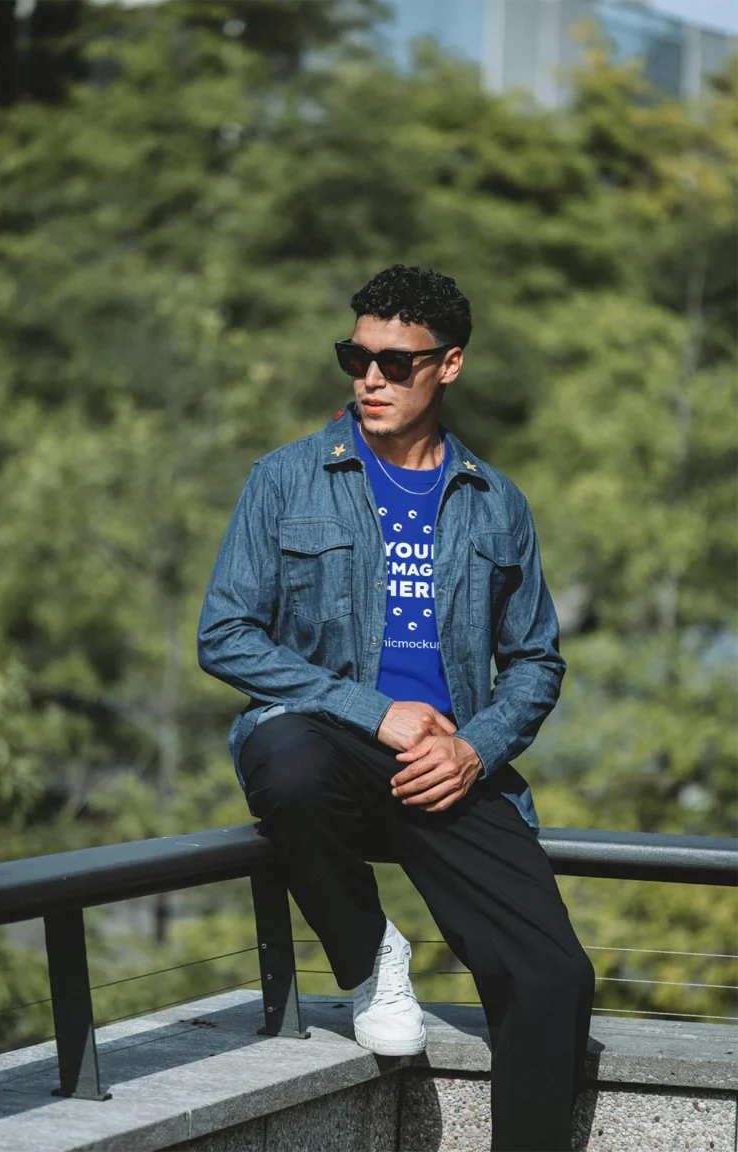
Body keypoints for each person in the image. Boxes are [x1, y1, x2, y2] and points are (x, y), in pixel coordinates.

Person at [198, 263, 594, 1151]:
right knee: (285, 758)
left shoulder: (497, 504)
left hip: (449, 767)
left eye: (395, 362)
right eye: (355, 355)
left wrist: (475, 750)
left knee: (555, 979)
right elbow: (225, 635)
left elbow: (534, 660)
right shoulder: (286, 479)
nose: (370, 378)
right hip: (331, 743)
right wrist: (374, 712)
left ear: (448, 365)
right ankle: (373, 956)